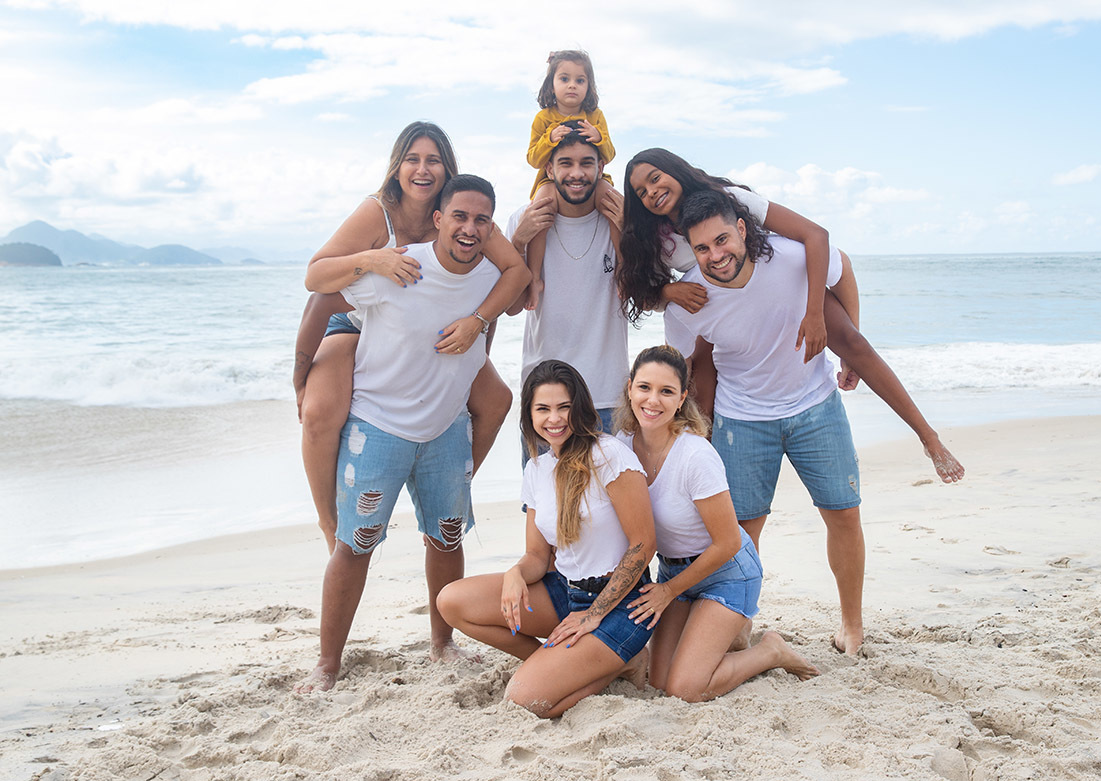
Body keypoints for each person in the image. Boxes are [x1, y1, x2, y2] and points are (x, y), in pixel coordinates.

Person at [296, 176, 523, 692]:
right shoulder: (402, 266)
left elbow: (520, 272)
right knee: (355, 547)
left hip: (445, 431)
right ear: (438, 218)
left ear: (490, 229)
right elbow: (322, 299)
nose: (469, 228)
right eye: (459, 217)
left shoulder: (490, 272)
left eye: (481, 220)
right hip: (378, 428)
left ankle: (443, 645)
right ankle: (328, 663)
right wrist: (302, 367)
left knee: (445, 538)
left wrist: (478, 321)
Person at [618, 148, 964, 484]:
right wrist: (668, 291)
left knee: (853, 342)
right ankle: (698, 470)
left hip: (778, 284)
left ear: (674, 170)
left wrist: (814, 314)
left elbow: (818, 239)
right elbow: (639, 290)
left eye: (655, 178)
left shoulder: (729, 198)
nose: (652, 192)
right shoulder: (656, 239)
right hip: (721, 311)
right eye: (641, 192)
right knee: (700, 382)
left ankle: (927, 436)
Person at [293, 122, 530, 553]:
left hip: (433, 334)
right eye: (413, 159)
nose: (423, 169)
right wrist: (370, 259)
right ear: (397, 166)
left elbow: (514, 274)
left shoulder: (468, 217)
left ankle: (441, 488)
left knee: (497, 400)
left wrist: (477, 328)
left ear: (447, 170)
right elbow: (316, 279)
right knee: (319, 412)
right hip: (358, 325)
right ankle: (330, 522)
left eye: (433, 160)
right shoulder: (378, 211)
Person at [663, 190, 867, 654]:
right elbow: (694, 364)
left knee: (843, 515)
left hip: (815, 405)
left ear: (741, 228)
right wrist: (698, 430)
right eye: (702, 249)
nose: (716, 255)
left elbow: (843, 267)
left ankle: (851, 625)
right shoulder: (689, 298)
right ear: (690, 253)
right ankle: (738, 626)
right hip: (742, 419)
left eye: (722, 240)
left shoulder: (790, 258)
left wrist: (850, 344)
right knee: (739, 534)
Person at [437, 360, 656, 718]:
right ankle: (555, 661)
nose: (554, 419)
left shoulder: (609, 455)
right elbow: (538, 556)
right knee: (451, 601)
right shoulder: (537, 469)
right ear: (530, 415)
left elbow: (644, 544)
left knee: (524, 699)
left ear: (580, 408)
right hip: (565, 594)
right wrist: (514, 574)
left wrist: (594, 615)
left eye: (563, 408)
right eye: (543, 409)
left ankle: (619, 662)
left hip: (621, 604)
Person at [615, 345, 820, 700]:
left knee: (687, 688)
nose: (653, 400)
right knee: (660, 681)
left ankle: (770, 651)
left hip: (726, 571)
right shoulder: (621, 447)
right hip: (673, 572)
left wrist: (667, 592)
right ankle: (723, 635)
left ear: (681, 399)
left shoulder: (696, 456)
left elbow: (726, 544)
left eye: (666, 391)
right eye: (645, 387)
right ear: (630, 388)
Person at [505, 130, 628, 437]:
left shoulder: (619, 220)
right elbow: (511, 307)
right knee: (544, 487)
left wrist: (631, 235)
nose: (576, 173)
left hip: (607, 397)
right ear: (549, 169)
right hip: (544, 398)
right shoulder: (525, 219)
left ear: (601, 168)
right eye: (566, 163)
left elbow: (642, 297)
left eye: (586, 163)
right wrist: (519, 240)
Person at [523, 49, 621, 312]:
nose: (572, 86)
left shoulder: (596, 116)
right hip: (550, 179)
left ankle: (623, 267)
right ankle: (533, 276)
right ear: (551, 84)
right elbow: (533, 159)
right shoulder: (543, 118)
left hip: (595, 178)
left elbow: (609, 154)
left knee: (616, 205)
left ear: (589, 86)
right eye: (564, 78)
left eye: (580, 80)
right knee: (540, 211)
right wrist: (549, 138)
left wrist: (598, 136)